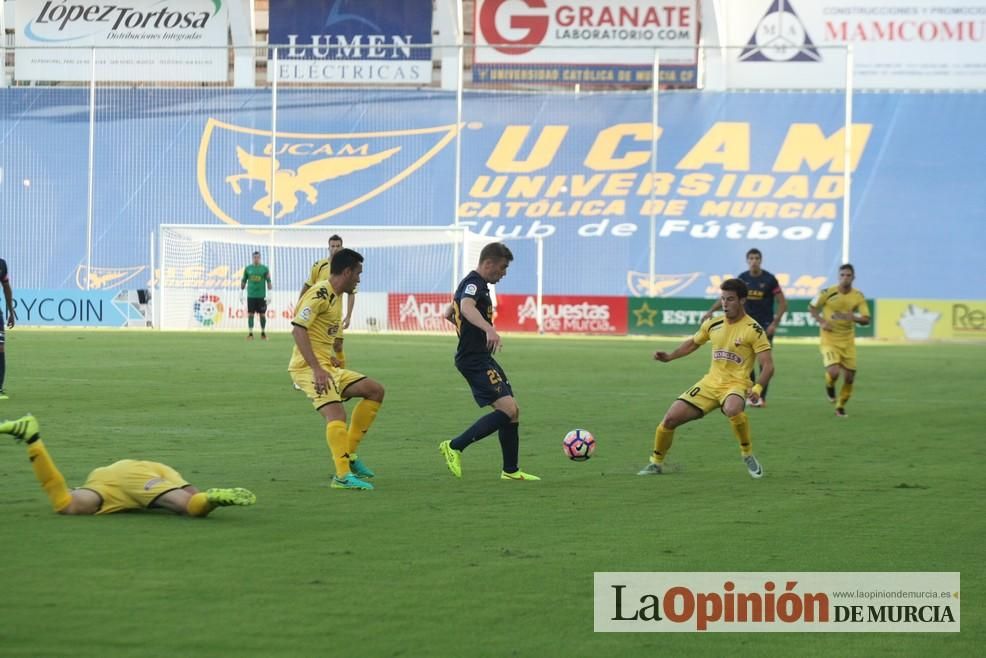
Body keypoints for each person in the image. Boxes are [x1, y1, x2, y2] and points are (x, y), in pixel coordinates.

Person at [639, 278, 772, 479]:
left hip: (736, 384)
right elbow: (692, 343)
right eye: (723, 299)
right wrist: (669, 356)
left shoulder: (753, 330)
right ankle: (655, 463)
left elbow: (768, 365)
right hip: (710, 383)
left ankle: (747, 453)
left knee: (732, 408)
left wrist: (757, 389)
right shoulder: (713, 324)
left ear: (742, 300)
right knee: (670, 419)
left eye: (731, 299)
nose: (725, 304)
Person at [0, 414, 256, 516]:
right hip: (143, 472)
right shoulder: (100, 484)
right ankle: (212, 498)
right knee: (191, 501)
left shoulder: (101, 491)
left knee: (66, 505)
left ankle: (31, 436)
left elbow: (63, 503)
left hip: (118, 479)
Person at [439, 243, 539, 481]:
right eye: (503, 267)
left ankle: (511, 471)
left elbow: (448, 313)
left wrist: (471, 332)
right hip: (473, 360)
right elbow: (464, 306)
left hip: (482, 357)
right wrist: (488, 329)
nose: (504, 273)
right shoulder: (474, 284)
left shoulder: (475, 284)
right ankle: (454, 446)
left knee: (513, 411)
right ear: (488, 263)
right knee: (507, 409)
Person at [289, 248, 384, 491]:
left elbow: (316, 333)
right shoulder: (320, 293)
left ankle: (348, 456)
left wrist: (328, 358)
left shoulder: (335, 296)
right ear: (347, 271)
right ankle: (341, 476)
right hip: (308, 369)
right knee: (336, 414)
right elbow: (298, 328)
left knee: (375, 390)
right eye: (358, 274)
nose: (359, 279)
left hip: (325, 366)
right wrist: (317, 368)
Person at [701, 248, 787, 407]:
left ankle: (760, 396)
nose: (754, 261)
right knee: (746, 361)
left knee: (764, 363)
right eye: (751, 258)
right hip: (744, 325)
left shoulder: (769, 279)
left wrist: (774, 323)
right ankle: (750, 393)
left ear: (761, 260)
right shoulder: (742, 279)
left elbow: (783, 302)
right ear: (747, 260)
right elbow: (727, 298)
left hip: (764, 326)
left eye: (756, 258)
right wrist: (711, 311)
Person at [808, 264, 870, 417]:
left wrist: (853, 318)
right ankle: (830, 385)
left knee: (849, 377)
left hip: (848, 341)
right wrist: (822, 321)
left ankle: (840, 406)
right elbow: (812, 307)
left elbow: (866, 319)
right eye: (842, 275)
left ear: (853, 277)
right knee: (834, 372)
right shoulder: (827, 292)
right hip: (829, 340)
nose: (845, 278)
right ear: (838, 276)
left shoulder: (858, 296)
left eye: (848, 275)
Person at [299, 235, 356, 368]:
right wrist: (299, 304)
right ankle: (304, 373)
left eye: (338, 246)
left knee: (338, 345)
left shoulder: (347, 269)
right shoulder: (319, 265)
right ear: (328, 248)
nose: (335, 249)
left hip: (335, 314)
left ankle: (341, 376)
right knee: (312, 343)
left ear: (342, 248)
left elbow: (351, 293)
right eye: (333, 246)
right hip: (317, 314)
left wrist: (348, 316)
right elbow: (307, 285)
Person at [241, 251, 272, 340]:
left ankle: (263, 333)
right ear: (252, 258)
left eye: (258, 257)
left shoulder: (264, 269)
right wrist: (241, 292)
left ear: (260, 258)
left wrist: (270, 294)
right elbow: (243, 280)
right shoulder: (248, 269)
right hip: (251, 296)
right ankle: (250, 334)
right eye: (254, 257)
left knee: (262, 315)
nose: (256, 259)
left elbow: (269, 281)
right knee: (251, 314)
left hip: (261, 296)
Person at [0, 257, 14, 400]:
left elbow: (6, 287)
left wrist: (11, 311)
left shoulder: (2, 264)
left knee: (0, 348)